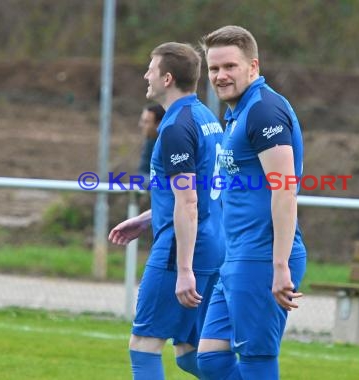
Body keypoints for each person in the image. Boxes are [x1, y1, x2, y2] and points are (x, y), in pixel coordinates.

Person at [196, 25, 307, 379]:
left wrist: (279, 265)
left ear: (253, 67)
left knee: (257, 360)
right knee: (211, 359)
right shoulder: (238, 114)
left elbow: (285, 189)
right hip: (238, 254)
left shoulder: (264, 111)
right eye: (214, 69)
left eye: (230, 66)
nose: (220, 76)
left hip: (262, 255)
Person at [108, 42, 224, 379]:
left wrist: (184, 268)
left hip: (182, 250)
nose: (146, 75)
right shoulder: (206, 118)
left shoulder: (175, 127)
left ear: (168, 78)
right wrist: (147, 219)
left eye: (151, 69)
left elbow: (188, 201)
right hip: (212, 242)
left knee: (143, 345)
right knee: (190, 353)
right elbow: (195, 192)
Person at [136, 103, 164, 182]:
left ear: (159, 124)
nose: (140, 125)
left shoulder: (177, 142)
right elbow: (142, 174)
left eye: (146, 122)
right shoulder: (150, 141)